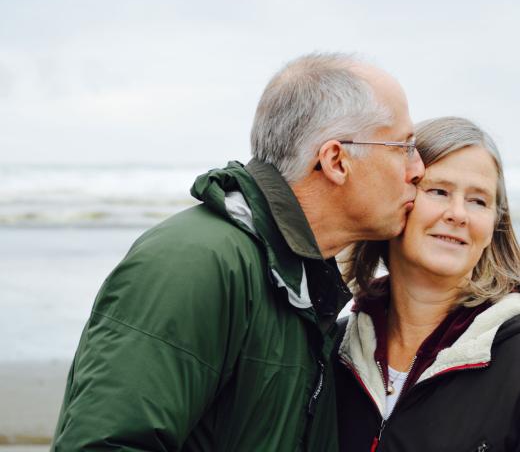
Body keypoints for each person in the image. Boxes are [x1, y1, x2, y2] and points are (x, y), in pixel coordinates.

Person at [51, 52, 424, 451]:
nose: (417, 168)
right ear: (336, 160)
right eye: (402, 146)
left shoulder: (299, 281)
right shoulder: (195, 262)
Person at [335, 116, 520, 451]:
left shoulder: (514, 352)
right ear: (397, 200)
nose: (458, 213)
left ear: (495, 224)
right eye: (439, 191)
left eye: (478, 200)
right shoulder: (334, 348)